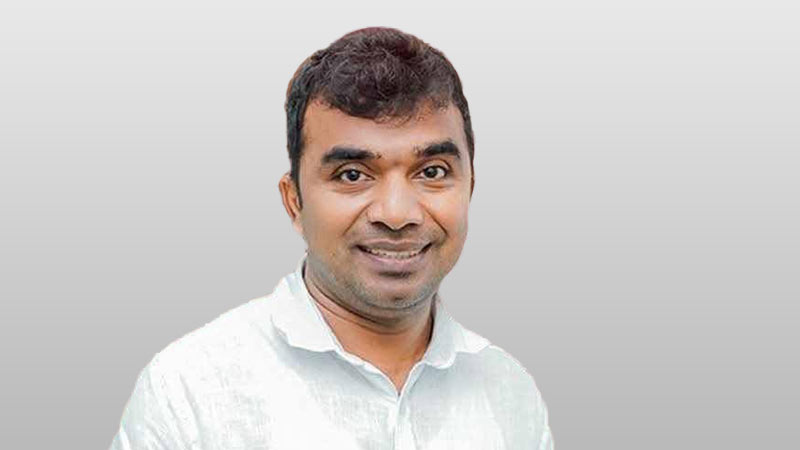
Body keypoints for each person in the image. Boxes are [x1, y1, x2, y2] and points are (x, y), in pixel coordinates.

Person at [109, 27, 553, 449]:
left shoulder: (509, 393)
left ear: (470, 189)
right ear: (294, 202)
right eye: (352, 174)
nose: (397, 214)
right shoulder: (189, 393)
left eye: (432, 172)